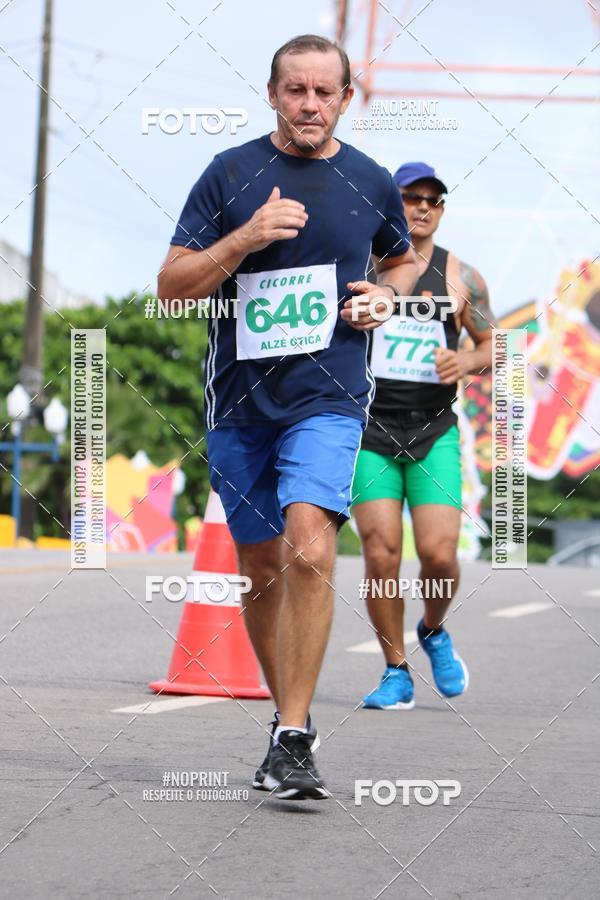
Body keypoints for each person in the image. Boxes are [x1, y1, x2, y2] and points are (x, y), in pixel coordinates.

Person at [158, 35, 418, 798]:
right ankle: (284, 720)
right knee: (263, 566)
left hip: (329, 396)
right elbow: (173, 285)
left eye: (324, 92)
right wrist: (244, 237)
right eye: (296, 90)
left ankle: (297, 735)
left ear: (346, 98)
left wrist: (389, 294)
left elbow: (398, 256)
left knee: (308, 548)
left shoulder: (370, 180)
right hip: (240, 404)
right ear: (273, 94)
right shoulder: (230, 173)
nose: (310, 104)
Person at [352, 162, 496, 710]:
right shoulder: (366, 264)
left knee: (438, 555)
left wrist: (464, 360)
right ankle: (395, 670)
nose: (422, 208)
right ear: (393, 200)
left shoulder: (464, 278)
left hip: (433, 430)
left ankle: (433, 630)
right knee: (381, 552)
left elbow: (494, 345)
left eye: (434, 200)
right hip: (369, 431)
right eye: (411, 197)